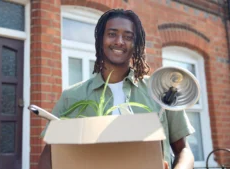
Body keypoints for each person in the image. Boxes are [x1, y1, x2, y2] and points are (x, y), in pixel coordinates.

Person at [38, 9, 195, 169]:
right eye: (112, 34)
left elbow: (184, 150)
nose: (120, 41)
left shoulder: (160, 92)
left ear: (137, 44)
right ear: (100, 40)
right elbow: (49, 154)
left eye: (128, 37)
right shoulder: (71, 96)